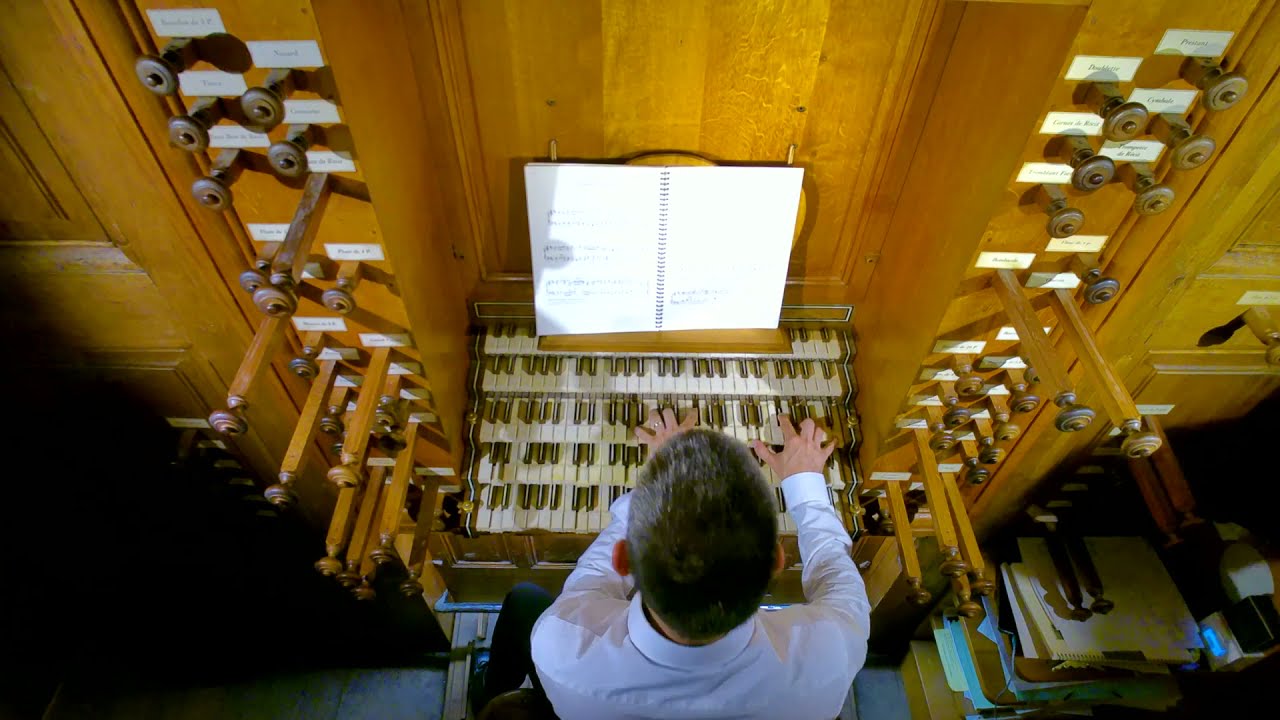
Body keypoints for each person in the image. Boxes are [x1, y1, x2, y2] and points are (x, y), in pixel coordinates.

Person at [475, 409, 870, 720]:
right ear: (776, 562)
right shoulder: (831, 656)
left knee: (523, 601)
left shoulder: (560, 644)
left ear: (623, 558)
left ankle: (488, 691)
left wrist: (665, 469)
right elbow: (836, 578)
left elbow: (593, 579)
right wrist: (805, 484)